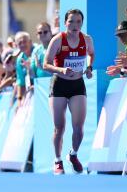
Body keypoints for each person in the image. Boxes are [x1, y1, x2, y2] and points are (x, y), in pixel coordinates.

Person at [43, 9, 95, 175]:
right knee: (59, 127)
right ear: (65, 23)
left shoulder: (86, 39)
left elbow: (91, 55)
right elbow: (45, 64)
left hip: (77, 86)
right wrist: (60, 70)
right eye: (71, 21)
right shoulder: (58, 40)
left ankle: (73, 154)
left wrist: (88, 67)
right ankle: (57, 161)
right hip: (59, 85)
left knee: (78, 128)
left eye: (78, 21)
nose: (75, 25)